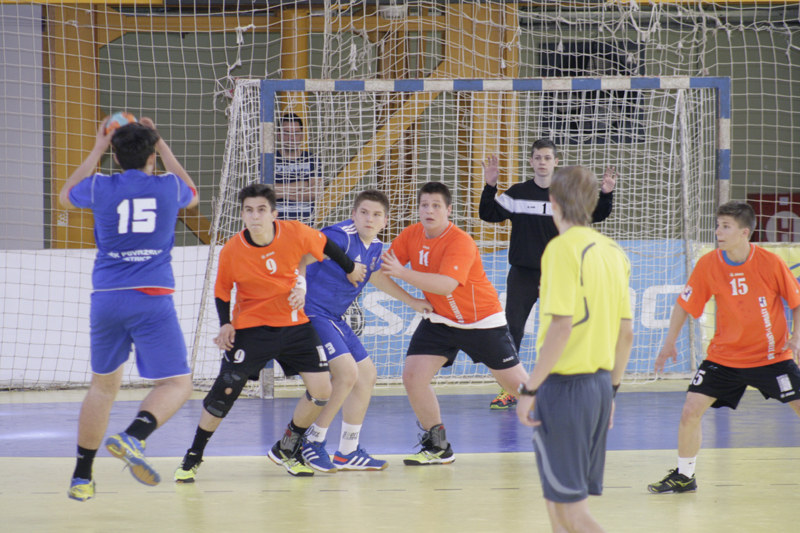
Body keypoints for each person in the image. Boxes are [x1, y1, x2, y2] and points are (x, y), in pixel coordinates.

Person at [173, 183, 366, 481]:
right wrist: (225, 323)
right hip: (252, 328)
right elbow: (222, 290)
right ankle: (194, 455)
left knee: (322, 390)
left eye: (261, 210)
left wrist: (350, 267)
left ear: (274, 214)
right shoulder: (233, 249)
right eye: (249, 210)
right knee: (225, 392)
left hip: (295, 325)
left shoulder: (295, 232)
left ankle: (288, 446)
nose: (255, 216)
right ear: (242, 215)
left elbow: (327, 245)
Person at [59, 116, 200, 502]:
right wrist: (161, 142)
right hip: (151, 298)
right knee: (177, 384)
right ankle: (133, 436)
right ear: (152, 156)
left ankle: (82, 476)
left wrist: (98, 147)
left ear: (117, 158)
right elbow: (192, 193)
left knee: (102, 387)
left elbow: (65, 196)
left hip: (107, 298)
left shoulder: (101, 186)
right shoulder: (168, 186)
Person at [648, 201, 800, 494]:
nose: (718, 231)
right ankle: (685, 476)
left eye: (725, 226)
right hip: (724, 358)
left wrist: (797, 336)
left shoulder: (770, 263)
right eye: (718, 225)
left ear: (744, 232)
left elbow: (796, 302)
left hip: (771, 357)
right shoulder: (709, 264)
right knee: (690, 411)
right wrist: (668, 343)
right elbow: (684, 305)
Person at [516, 165, 633, 533]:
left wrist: (529, 389)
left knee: (572, 514)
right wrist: (611, 393)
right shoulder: (614, 252)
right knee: (557, 507)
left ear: (552, 201)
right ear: (593, 201)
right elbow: (626, 334)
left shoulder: (560, 250)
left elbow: (561, 327)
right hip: (599, 387)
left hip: (565, 388)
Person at [380, 182, 530, 465]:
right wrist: (411, 301)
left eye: (436, 205)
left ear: (448, 210)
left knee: (518, 387)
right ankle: (438, 446)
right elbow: (379, 272)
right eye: (425, 205)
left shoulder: (460, 241)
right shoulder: (410, 235)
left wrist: (403, 273)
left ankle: (566, 423)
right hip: (440, 320)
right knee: (413, 377)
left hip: (482, 322)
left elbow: (446, 285)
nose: (429, 210)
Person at [300, 190, 433, 473]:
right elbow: (299, 258)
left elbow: (375, 276)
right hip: (312, 314)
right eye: (363, 212)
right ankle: (312, 440)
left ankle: (347, 451)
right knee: (347, 374)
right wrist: (296, 290)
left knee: (366, 375)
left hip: (334, 317)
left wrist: (412, 301)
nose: (369, 219)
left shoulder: (375, 247)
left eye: (376, 215)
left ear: (385, 221)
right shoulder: (338, 236)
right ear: (353, 214)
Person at [480, 139, 617, 409]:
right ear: (531, 162)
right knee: (512, 330)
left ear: (556, 162)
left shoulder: (565, 195)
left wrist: (606, 194)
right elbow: (488, 213)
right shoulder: (518, 193)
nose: (542, 162)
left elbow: (596, 214)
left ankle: (571, 386)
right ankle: (510, 389)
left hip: (559, 274)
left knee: (567, 329)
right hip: (523, 274)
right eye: (537, 158)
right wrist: (490, 186)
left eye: (547, 158)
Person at [272, 113, 323, 225]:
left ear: (302, 135)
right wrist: (303, 184)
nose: (291, 138)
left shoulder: (312, 160)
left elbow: (314, 193)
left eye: (296, 133)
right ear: (279, 135)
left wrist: (281, 192)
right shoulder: (269, 160)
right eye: (287, 133)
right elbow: (268, 192)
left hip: (305, 224)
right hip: (275, 224)